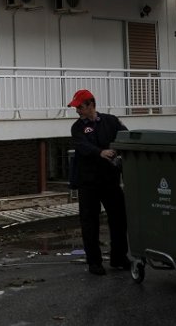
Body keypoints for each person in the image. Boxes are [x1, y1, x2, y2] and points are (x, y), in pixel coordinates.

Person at [68, 89, 129, 275]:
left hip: (110, 180)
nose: (77, 111)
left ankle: (119, 258)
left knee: (119, 219)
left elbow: (125, 136)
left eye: (80, 107)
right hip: (88, 182)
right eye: (76, 107)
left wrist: (117, 152)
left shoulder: (111, 121)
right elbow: (82, 145)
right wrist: (100, 152)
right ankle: (94, 262)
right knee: (89, 222)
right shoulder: (77, 127)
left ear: (91, 105)